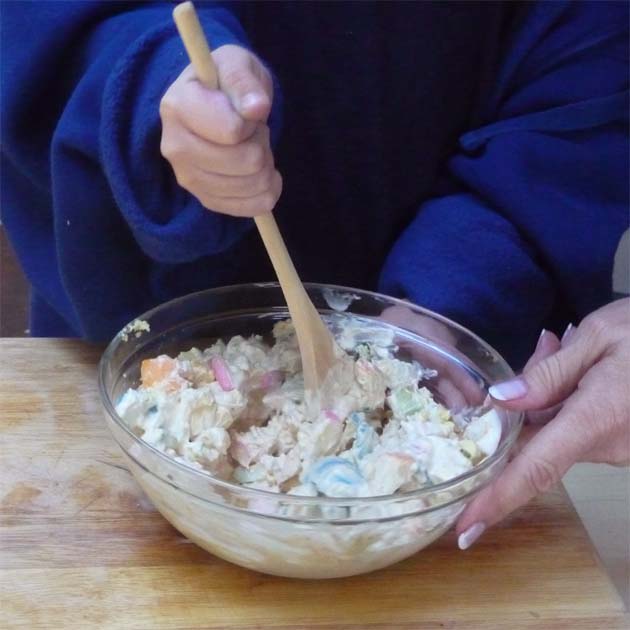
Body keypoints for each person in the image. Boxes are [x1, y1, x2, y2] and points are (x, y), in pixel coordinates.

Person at [1, 2, 628, 534]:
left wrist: (464, 282)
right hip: (132, 328)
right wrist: (150, 81)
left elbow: (574, 68)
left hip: (452, 359)